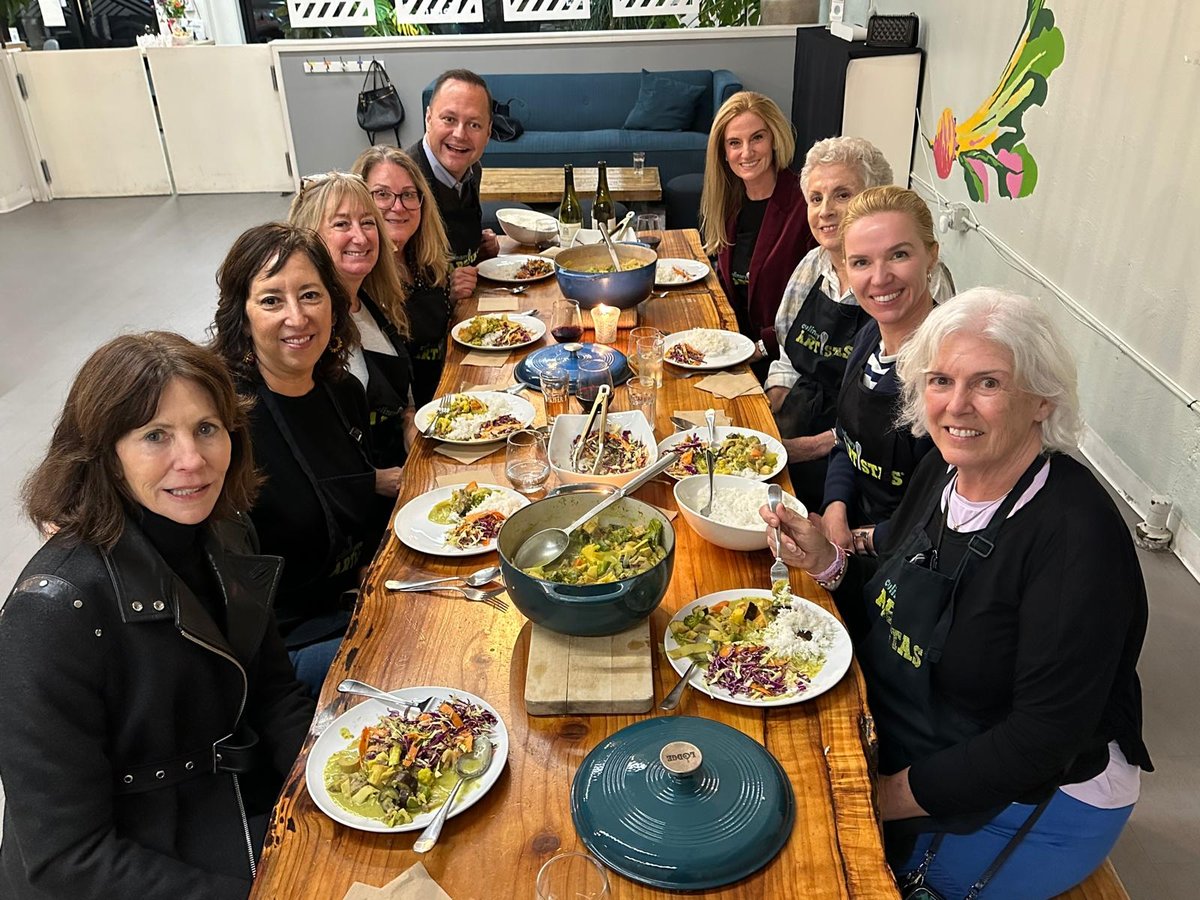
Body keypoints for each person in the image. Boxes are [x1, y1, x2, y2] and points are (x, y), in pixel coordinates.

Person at [761, 288, 1152, 898]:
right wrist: (828, 561)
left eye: (988, 383)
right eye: (941, 380)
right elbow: (901, 598)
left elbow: (1039, 741)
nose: (956, 405)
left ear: (1042, 400)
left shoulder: (1076, 538)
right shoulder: (945, 472)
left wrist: (875, 796)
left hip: (1035, 796)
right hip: (927, 733)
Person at [0, 332, 314, 898]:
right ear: (105, 454)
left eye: (206, 428)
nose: (192, 460)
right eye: (155, 436)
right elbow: (68, 860)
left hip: (237, 806)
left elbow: (273, 694)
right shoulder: (49, 615)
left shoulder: (226, 530)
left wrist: (337, 786)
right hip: (153, 863)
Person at [211, 223, 400, 695]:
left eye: (310, 295)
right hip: (288, 645)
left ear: (334, 304)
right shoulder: (226, 423)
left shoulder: (343, 391)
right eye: (271, 300)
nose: (297, 317)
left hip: (354, 603)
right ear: (242, 317)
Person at [820, 186, 942, 555]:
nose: (879, 277)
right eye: (861, 262)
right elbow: (847, 441)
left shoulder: (947, 371)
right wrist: (834, 507)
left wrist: (856, 542)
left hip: (907, 556)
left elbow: (944, 512)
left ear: (931, 256)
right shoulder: (868, 337)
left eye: (898, 255)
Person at [288, 171, 414, 468]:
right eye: (342, 224)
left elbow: (403, 399)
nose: (360, 236)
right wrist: (374, 480)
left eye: (368, 222)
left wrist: (410, 422)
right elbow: (307, 443)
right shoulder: (304, 329)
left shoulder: (373, 303)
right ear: (309, 236)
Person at [700, 91, 814, 383]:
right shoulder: (729, 202)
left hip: (785, 361)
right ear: (723, 152)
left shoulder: (805, 205)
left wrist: (761, 347)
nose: (747, 152)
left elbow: (815, 304)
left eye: (757, 138)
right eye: (734, 143)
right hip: (733, 352)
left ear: (775, 138)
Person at [352, 146, 456, 407]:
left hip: (448, 392)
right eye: (382, 194)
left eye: (408, 194)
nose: (398, 207)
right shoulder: (359, 277)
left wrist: (452, 297)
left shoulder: (425, 261)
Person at [407, 68, 499, 301]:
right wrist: (444, 292)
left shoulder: (473, 170)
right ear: (428, 119)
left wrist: (477, 250)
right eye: (449, 119)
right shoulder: (403, 183)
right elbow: (388, 285)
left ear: (488, 132)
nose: (459, 134)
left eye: (474, 125)